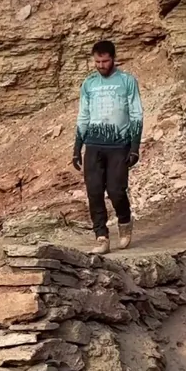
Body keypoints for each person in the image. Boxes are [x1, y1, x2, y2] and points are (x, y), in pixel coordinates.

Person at [72, 40, 144, 255]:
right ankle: (101, 236)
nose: (101, 65)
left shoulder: (127, 81)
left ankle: (124, 221)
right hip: (93, 145)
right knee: (94, 192)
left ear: (113, 59)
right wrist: (77, 147)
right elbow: (83, 115)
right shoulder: (89, 84)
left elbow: (136, 114)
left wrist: (134, 147)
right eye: (97, 61)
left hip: (119, 145)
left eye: (105, 61)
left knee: (116, 191)